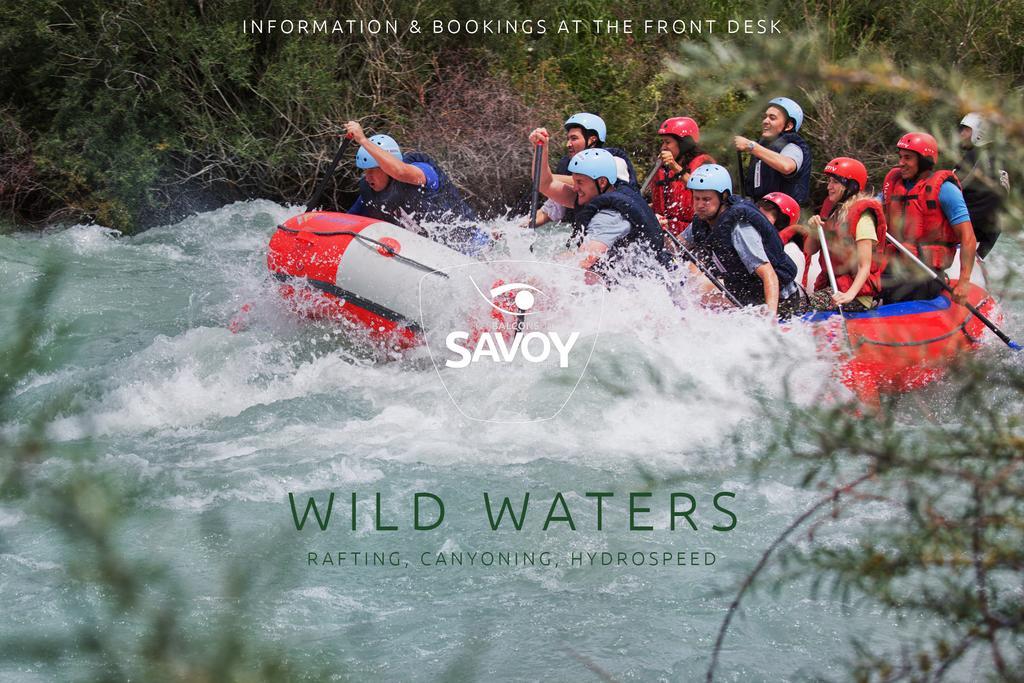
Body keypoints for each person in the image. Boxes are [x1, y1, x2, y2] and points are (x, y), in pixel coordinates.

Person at [528, 128, 666, 274]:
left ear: (601, 182)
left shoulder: (611, 216)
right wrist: (541, 148)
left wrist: (537, 278)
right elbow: (545, 184)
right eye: (574, 181)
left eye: (580, 182)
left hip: (641, 285)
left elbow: (584, 261)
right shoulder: (596, 193)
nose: (574, 188)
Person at [344, 121, 489, 256]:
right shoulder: (370, 193)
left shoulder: (423, 171)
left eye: (372, 170)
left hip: (474, 243)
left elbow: (400, 171)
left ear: (386, 167)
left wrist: (363, 140)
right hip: (437, 255)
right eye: (365, 171)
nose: (367, 177)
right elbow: (347, 221)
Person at [679, 164, 802, 317]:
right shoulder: (702, 222)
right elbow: (675, 247)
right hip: (747, 298)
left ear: (723, 197)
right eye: (696, 198)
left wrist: (771, 320)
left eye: (706, 199)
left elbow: (768, 274)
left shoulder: (740, 228)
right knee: (694, 301)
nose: (699, 205)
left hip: (782, 301)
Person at [880, 132, 977, 304]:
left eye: (907, 158)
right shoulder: (894, 185)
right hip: (892, 268)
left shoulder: (946, 190)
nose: (901, 163)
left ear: (924, 160)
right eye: (900, 157)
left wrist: (964, 281)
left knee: (896, 289)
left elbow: (967, 237)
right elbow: (869, 207)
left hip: (925, 274)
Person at [805, 157, 887, 312]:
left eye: (835, 182)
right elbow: (809, 250)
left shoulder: (863, 217)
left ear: (850, 186)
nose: (829, 187)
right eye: (829, 181)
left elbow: (865, 266)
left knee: (797, 305)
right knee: (792, 303)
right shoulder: (834, 214)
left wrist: (849, 295)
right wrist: (814, 230)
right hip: (836, 287)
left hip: (856, 296)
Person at [530, 113, 639, 227]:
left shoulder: (614, 160)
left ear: (592, 140)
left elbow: (592, 179)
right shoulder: (570, 172)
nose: (568, 144)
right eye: (568, 139)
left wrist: (552, 176)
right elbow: (545, 188)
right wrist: (541, 148)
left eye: (574, 138)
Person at [733, 97, 812, 205]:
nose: (765, 121)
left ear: (789, 126)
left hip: (784, 214)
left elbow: (787, 166)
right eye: (765, 117)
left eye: (772, 118)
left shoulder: (793, 146)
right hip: (762, 208)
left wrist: (751, 146)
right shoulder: (763, 148)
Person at [648, 117, 715, 236]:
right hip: (666, 230)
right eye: (662, 142)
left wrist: (675, 166)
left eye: (667, 142)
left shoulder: (704, 163)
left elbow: (703, 190)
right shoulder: (664, 169)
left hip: (695, 231)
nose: (663, 147)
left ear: (684, 143)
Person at [954, 112, 1009, 258]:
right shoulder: (1000, 162)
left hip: (960, 236)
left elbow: (947, 189)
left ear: (979, 133)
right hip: (982, 243)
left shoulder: (974, 158)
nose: (962, 134)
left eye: (966, 130)